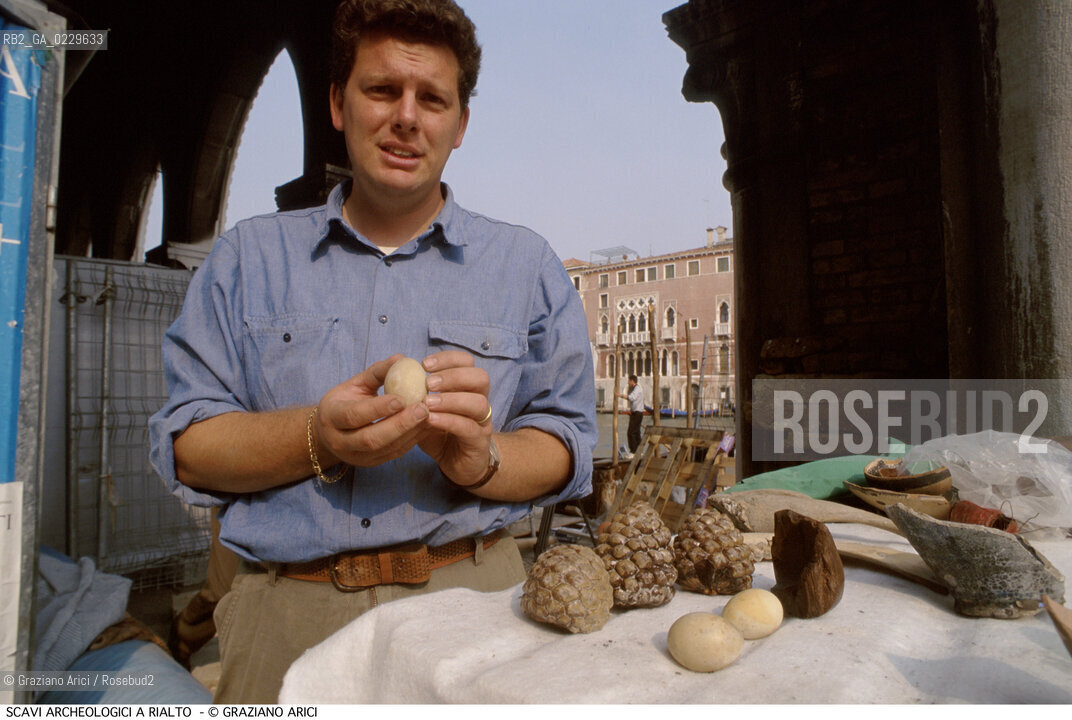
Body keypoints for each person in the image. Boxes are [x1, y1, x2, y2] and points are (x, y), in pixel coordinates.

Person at [148, 0, 597, 703]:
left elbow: (568, 443)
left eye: (433, 99)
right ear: (337, 103)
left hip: (475, 610)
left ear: (460, 124)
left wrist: (486, 460)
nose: (407, 117)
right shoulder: (248, 259)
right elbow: (188, 445)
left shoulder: (526, 266)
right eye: (382, 89)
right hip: (286, 619)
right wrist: (317, 437)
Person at [616, 374, 645, 454]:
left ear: (632, 381)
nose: (628, 383)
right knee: (636, 432)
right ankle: (639, 451)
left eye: (629, 381)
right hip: (636, 413)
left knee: (631, 432)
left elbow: (631, 397)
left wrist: (620, 395)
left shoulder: (637, 389)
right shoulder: (636, 389)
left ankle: (634, 451)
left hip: (637, 413)